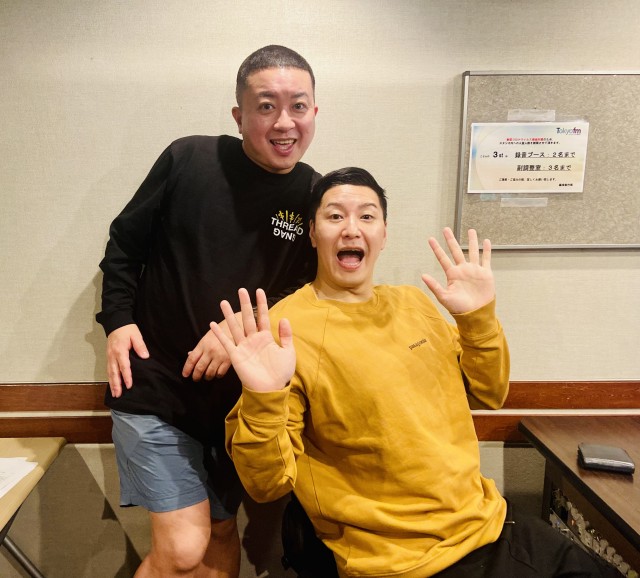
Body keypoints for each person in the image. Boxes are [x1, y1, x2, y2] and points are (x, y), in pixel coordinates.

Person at [214, 167, 618, 577]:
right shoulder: (285, 329)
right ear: (313, 234)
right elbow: (266, 484)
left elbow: (488, 393)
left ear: (383, 234)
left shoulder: (413, 304)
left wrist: (478, 320)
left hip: (489, 522)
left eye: (367, 216)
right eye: (335, 216)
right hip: (400, 559)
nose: (352, 229)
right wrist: (263, 397)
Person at [95, 45, 319, 578]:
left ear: (315, 112)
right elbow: (125, 243)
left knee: (220, 533)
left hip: (236, 404)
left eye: (298, 106)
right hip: (155, 385)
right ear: (239, 116)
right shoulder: (190, 158)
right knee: (182, 550)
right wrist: (117, 321)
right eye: (266, 106)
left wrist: (242, 327)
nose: (284, 122)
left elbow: (310, 290)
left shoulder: (313, 192)